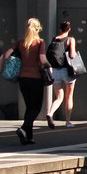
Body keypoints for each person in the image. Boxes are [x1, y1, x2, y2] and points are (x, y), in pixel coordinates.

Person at [1, 17, 50, 145]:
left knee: (29, 106)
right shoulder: (40, 42)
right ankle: (23, 128)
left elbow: (6, 55)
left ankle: (28, 136)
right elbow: (42, 58)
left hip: (23, 79)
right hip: (36, 79)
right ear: (38, 28)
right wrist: (48, 65)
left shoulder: (20, 43)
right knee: (36, 107)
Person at [43, 19, 78, 128]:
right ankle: (68, 122)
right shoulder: (70, 39)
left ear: (60, 29)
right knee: (69, 96)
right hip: (67, 71)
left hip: (55, 71)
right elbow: (72, 55)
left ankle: (50, 113)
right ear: (69, 29)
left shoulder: (55, 39)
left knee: (59, 97)